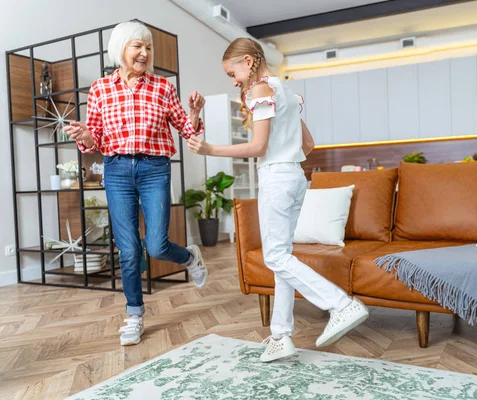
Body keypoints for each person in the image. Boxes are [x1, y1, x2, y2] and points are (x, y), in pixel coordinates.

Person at [187, 38, 369, 362]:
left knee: (275, 258)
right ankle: (280, 335)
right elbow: (309, 144)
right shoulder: (285, 92)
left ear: (247, 60)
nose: (233, 81)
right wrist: (286, 152)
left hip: (276, 178)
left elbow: (258, 147)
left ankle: (340, 305)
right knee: (281, 257)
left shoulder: (260, 91)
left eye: (232, 73)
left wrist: (210, 149)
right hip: (296, 178)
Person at [64, 21, 208, 346]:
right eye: (137, 46)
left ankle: (189, 258)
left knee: (156, 245)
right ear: (121, 49)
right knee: (128, 249)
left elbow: (187, 129)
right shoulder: (100, 89)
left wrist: (196, 113)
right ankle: (134, 313)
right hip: (116, 169)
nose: (144, 53)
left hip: (154, 168)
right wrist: (86, 136)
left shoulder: (163, 88)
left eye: (148, 47)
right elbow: (96, 139)